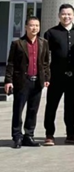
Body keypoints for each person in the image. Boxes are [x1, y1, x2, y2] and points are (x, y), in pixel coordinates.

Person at [43, 4, 74, 145]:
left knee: (70, 106)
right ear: (59, 15)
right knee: (51, 105)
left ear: (73, 15)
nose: (66, 16)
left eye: (69, 14)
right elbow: (44, 57)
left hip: (73, 77)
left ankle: (70, 134)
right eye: (63, 14)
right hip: (56, 76)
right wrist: (46, 75)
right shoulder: (51, 33)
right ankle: (49, 134)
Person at [5, 16, 51, 148]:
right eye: (31, 25)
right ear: (26, 27)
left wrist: (46, 78)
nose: (34, 28)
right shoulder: (18, 43)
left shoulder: (43, 43)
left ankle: (29, 136)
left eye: (37, 25)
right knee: (18, 110)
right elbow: (11, 63)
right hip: (22, 81)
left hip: (37, 81)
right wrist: (8, 80)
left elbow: (46, 62)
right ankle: (17, 137)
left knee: (32, 110)